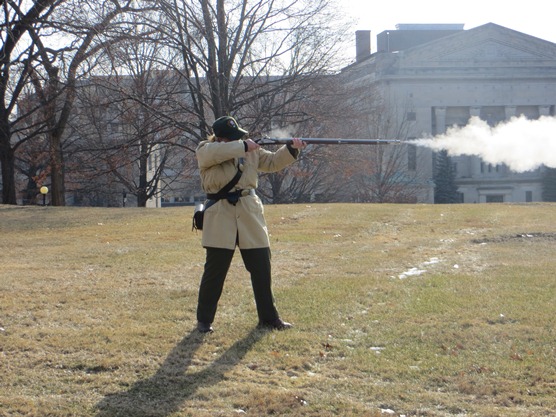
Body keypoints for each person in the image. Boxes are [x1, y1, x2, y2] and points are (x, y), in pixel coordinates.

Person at [195, 115, 306, 333]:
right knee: (215, 271)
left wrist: (291, 149)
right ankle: (204, 320)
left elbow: (272, 162)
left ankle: (269, 317)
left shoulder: (250, 151)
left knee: (262, 268)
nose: (241, 141)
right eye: (233, 139)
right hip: (220, 213)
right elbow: (215, 153)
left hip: (249, 212)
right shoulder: (206, 149)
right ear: (219, 138)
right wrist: (243, 145)